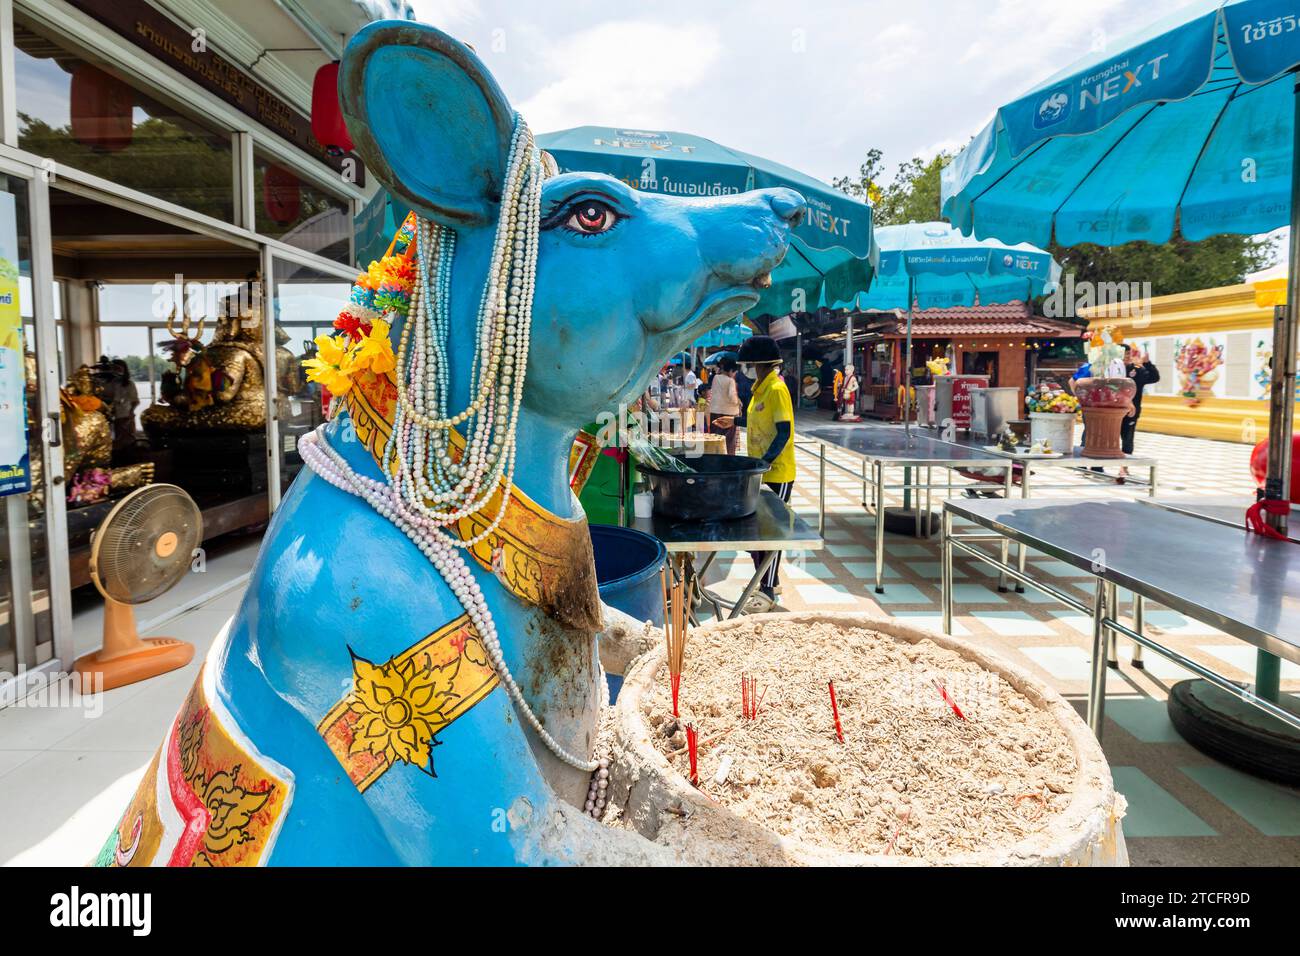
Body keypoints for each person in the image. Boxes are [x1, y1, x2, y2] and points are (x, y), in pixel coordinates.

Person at [739, 335, 795, 610]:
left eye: (748, 363)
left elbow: (783, 432)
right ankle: (764, 581)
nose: (746, 367)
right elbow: (759, 421)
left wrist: (766, 461)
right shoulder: (759, 389)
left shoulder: (776, 388)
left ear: (759, 363)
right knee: (758, 531)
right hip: (759, 470)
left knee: (771, 533)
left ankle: (768, 590)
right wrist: (735, 421)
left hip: (777, 472)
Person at [1119, 345, 1160, 481]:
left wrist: (1147, 363)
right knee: (1109, 439)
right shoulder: (1111, 370)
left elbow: (1154, 378)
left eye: (1128, 353)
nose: (1127, 356)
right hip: (1112, 410)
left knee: (1128, 438)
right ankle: (1097, 467)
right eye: (1124, 354)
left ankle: (1124, 467)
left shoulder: (1136, 370)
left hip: (1132, 411)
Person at [708, 357, 742, 454]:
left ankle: (714, 459)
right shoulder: (730, 381)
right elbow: (732, 397)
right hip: (729, 414)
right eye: (735, 372)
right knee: (729, 441)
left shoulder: (715, 377)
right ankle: (728, 461)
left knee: (715, 438)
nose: (734, 375)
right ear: (731, 370)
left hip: (715, 411)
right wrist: (738, 402)